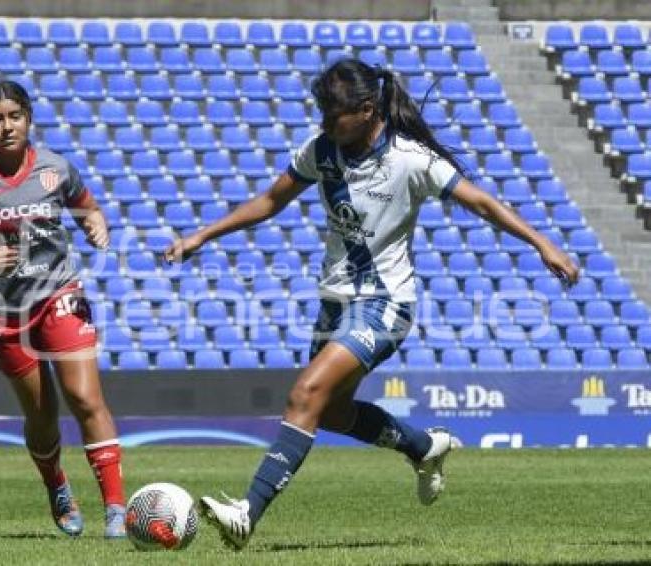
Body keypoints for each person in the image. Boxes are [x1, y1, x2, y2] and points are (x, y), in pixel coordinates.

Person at [165, 58, 580, 549]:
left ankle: (245, 514)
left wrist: (542, 244)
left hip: (385, 303)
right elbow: (270, 201)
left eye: (333, 114)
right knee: (332, 413)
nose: (324, 123)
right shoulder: (320, 151)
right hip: (335, 301)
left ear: (366, 110)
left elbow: (483, 203)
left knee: (304, 396)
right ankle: (425, 447)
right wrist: (203, 235)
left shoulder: (411, 159)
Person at [0, 80, 126, 539]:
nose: (6, 126)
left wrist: (96, 225)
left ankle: (116, 508)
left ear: (29, 118)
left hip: (59, 291)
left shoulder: (56, 167)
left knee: (85, 397)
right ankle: (56, 484)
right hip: (2, 310)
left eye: (15, 116)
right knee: (43, 414)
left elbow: (88, 208)